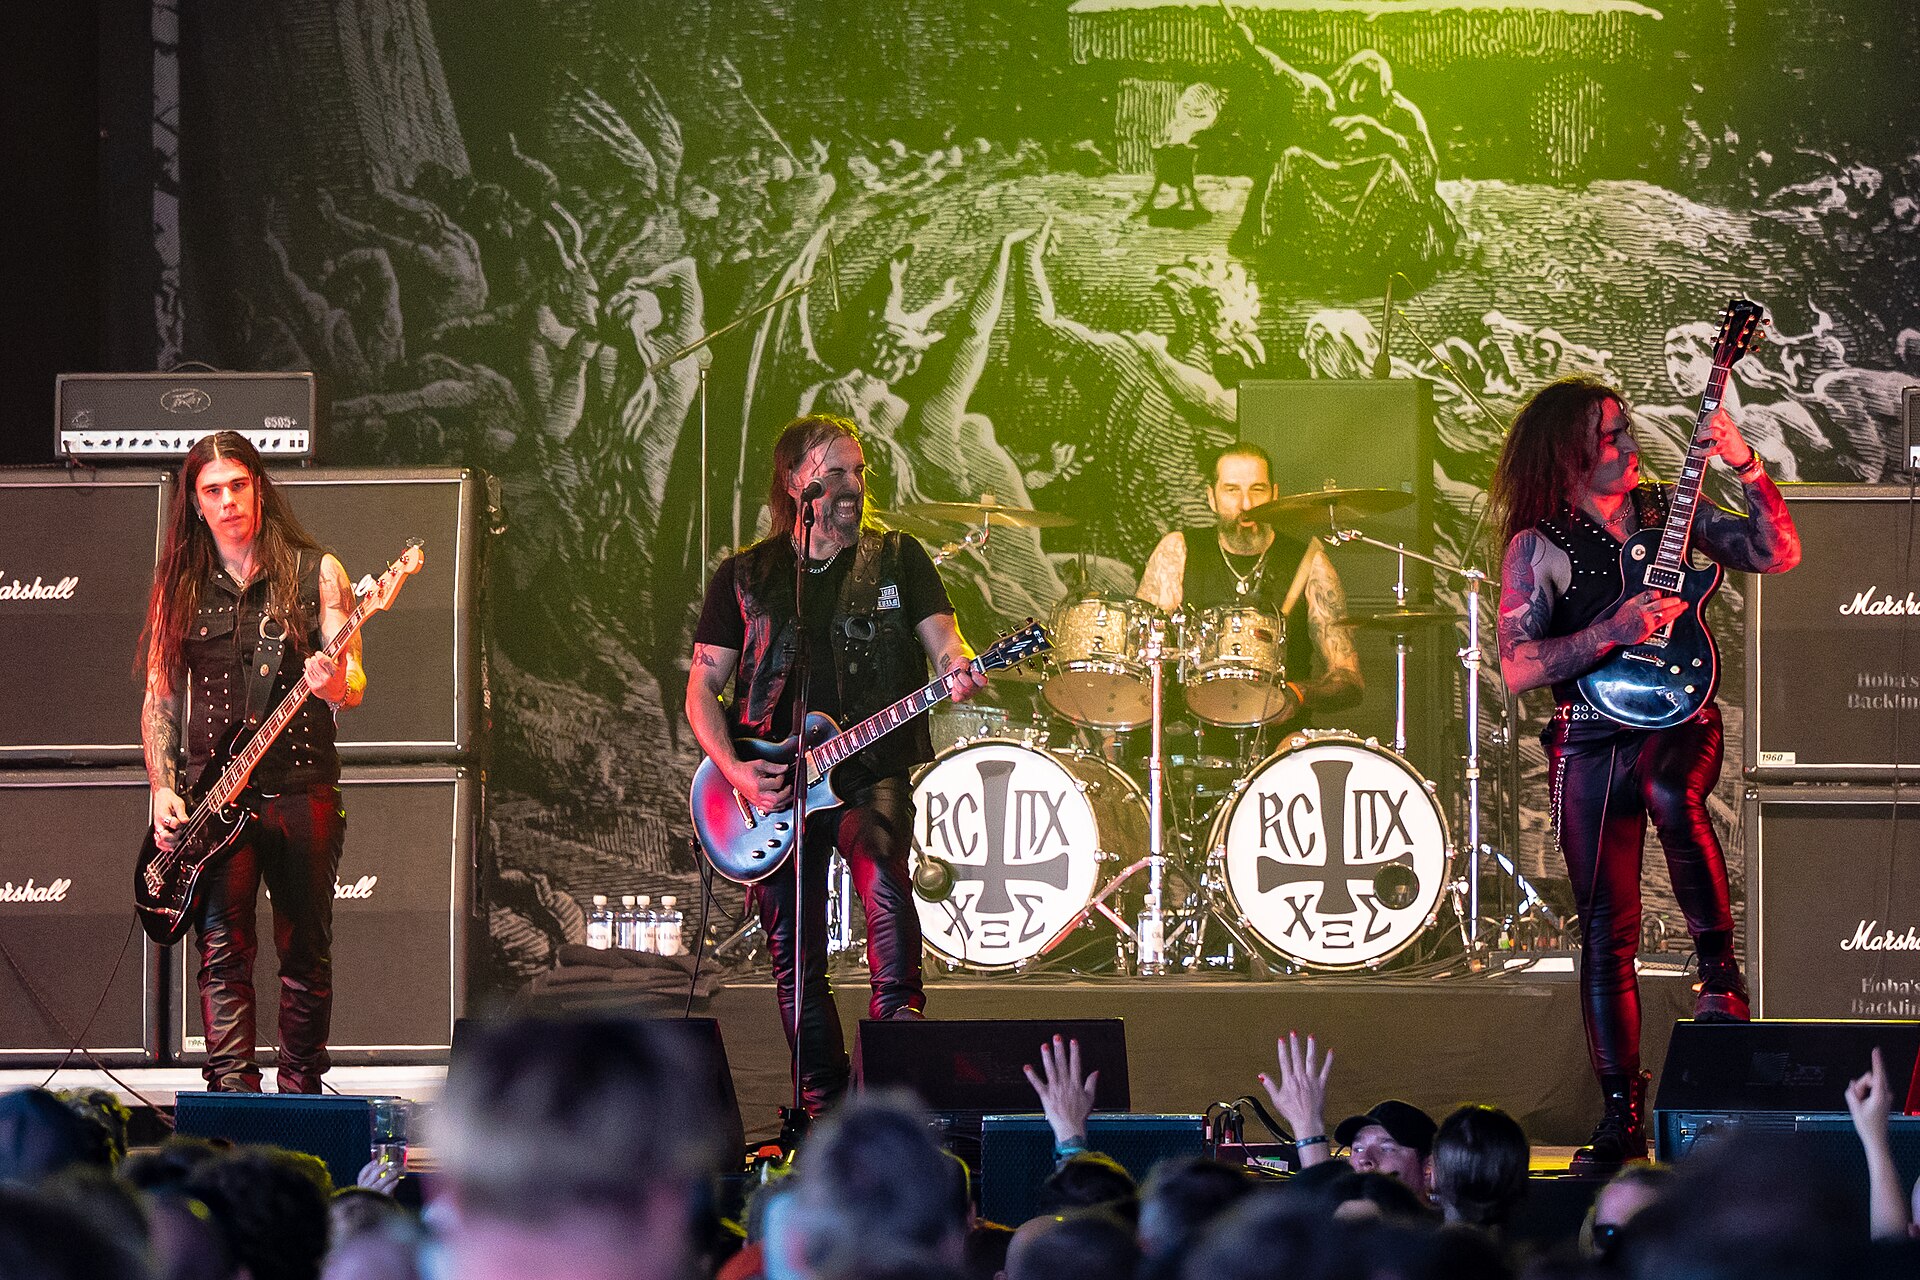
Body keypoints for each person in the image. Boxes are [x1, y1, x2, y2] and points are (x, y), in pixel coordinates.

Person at [1491, 374, 1801, 1172]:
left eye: (1628, 430)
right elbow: (1520, 667)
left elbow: (1777, 552)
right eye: (1611, 436)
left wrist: (1745, 463)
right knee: (1605, 931)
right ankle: (1620, 1113)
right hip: (1590, 736)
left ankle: (1719, 970)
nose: (1632, 445)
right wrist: (1613, 629)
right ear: (1567, 455)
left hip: (1679, 717)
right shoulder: (1538, 545)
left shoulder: (1670, 508)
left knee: (1671, 790)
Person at [686, 413, 986, 1114]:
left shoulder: (897, 558)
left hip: (867, 765)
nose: (853, 487)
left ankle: (895, 1058)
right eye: (837, 474)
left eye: (859, 473)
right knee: (796, 952)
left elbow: (946, 642)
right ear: (798, 484)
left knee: (880, 867)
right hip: (771, 786)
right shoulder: (747, 576)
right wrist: (734, 769)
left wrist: (958, 666)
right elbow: (702, 689)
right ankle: (821, 1105)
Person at [139, 430, 365, 1094]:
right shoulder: (178, 586)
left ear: (259, 488)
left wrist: (332, 686)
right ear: (196, 503)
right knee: (222, 954)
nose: (230, 500)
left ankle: (300, 1095)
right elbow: (159, 696)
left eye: (240, 484)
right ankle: (230, 1098)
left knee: (305, 952)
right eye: (214, 490)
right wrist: (162, 786)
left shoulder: (316, 571)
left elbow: (352, 683)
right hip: (217, 796)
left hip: (302, 786)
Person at [1136, 442, 1364, 731]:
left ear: (1275, 494)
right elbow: (1140, 662)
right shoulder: (1178, 551)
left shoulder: (1309, 562)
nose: (1246, 504)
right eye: (1232, 490)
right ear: (1211, 498)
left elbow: (1348, 678)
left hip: (1277, 743)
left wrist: (1297, 695)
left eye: (1258, 490)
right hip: (1190, 740)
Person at [1257, 1031, 1436, 1204]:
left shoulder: (1441, 1231)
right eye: (1357, 1149)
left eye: (1387, 1148)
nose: (1364, 1159)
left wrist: (1308, 1127)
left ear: (1428, 1168)